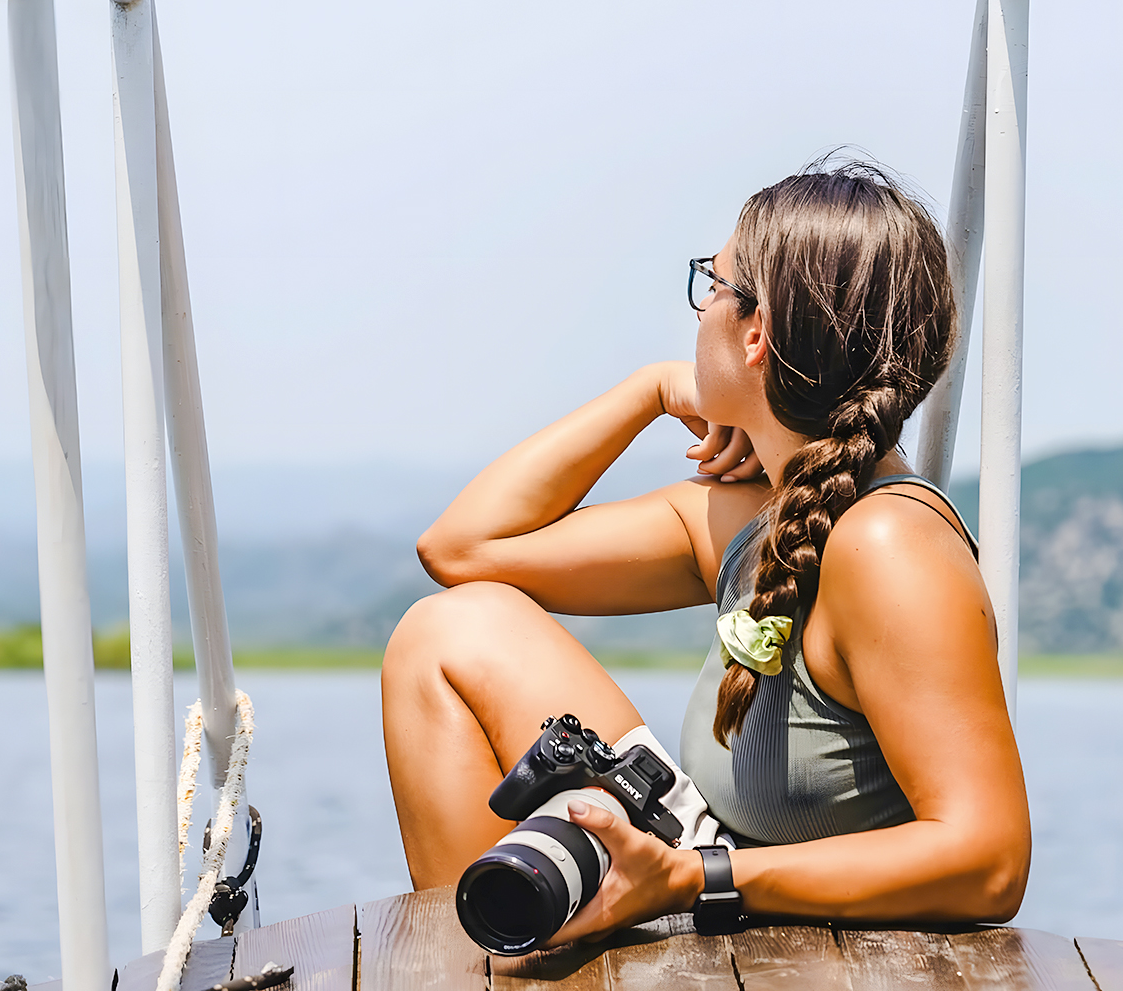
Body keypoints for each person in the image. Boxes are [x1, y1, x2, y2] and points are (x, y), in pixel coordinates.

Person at [381, 159, 1030, 945]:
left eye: (710, 285)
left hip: (801, 933)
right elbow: (464, 549)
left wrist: (696, 880)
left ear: (755, 332)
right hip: (715, 871)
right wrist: (651, 391)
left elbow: (990, 860)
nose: (699, 312)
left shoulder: (889, 545)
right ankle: (489, 953)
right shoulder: (760, 515)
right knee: (446, 633)